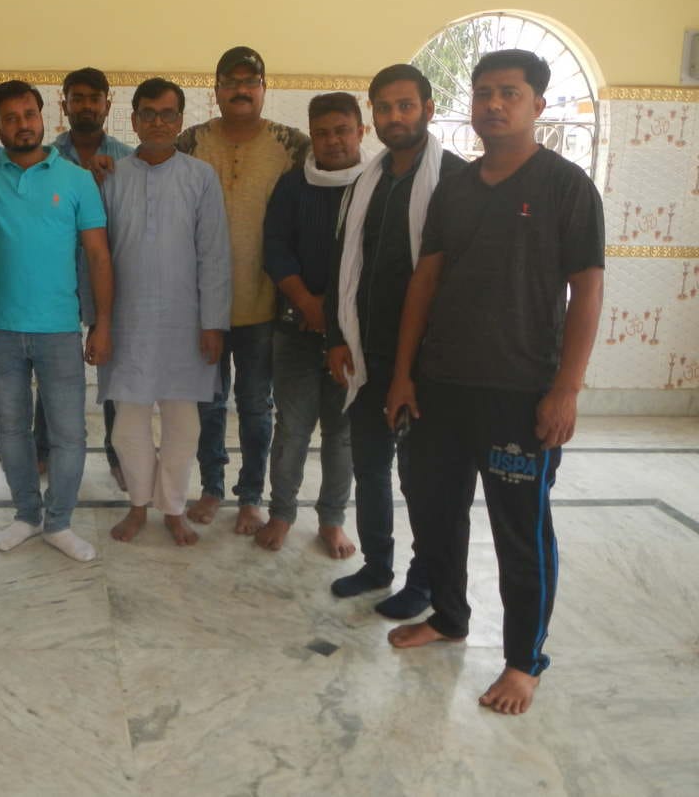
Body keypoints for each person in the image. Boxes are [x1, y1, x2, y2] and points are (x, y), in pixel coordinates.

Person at [385, 49, 604, 715]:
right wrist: (402, 374)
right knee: (435, 515)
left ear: (538, 105)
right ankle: (449, 617)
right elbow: (426, 280)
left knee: (521, 532)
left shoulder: (568, 187)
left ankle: (523, 661)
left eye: (509, 92)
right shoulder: (455, 184)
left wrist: (565, 389)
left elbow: (587, 290)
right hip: (442, 387)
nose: (493, 104)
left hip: (520, 394)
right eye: (483, 93)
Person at [323, 64, 467, 619]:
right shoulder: (366, 181)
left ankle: (424, 580)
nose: (394, 117)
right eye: (384, 108)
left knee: (422, 477)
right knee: (370, 466)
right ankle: (377, 565)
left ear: (429, 109)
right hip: (367, 353)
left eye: (405, 105)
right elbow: (342, 265)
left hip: (427, 362)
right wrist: (337, 338)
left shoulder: (454, 180)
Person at [0, 80, 115, 562]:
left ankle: (60, 522)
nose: (21, 124)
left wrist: (103, 322)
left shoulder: (75, 179)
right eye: (9, 118)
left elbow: (98, 256)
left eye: (28, 114)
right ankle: (28, 515)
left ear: (43, 116)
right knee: (12, 431)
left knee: (69, 432)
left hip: (59, 328)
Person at [177, 46, 309, 535]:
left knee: (256, 408)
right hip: (204, 307)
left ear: (263, 88)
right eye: (230, 81)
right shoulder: (190, 143)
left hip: (265, 305)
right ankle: (212, 488)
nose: (240, 89)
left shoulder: (291, 144)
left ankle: (250, 495)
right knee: (208, 406)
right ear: (215, 91)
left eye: (250, 81)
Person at [100, 78, 231, 546]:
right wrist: (98, 321)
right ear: (133, 120)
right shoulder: (111, 176)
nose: (158, 122)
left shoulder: (200, 177)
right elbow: (95, 254)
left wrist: (213, 323)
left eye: (168, 114)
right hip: (127, 322)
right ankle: (138, 505)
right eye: (148, 114)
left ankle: (173, 507)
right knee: (127, 425)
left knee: (185, 425)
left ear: (180, 121)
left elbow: (214, 255)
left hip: (185, 322)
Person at [258, 92, 365, 553]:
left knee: (342, 435)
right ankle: (281, 513)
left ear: (361, 131)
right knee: (292, 427)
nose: (333, 141)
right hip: (296, 327)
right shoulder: (293, 185)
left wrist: (339, 315)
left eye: (342, 130)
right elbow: (276, 248)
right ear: (311, 138)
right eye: (322, 133)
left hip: (355, 334)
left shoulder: (378, 185)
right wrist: (306, 302)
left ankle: (332, 520)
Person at [53, 67, 136, 487]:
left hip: (111, 286)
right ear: (63, 104)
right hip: (58, 288)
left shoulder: (128, 160)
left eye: (94, 98)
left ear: (108, 103)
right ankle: (45, 455)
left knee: (115, 382)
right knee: (52, 381)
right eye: (77, 98)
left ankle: (120, 458)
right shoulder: (47, 157)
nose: (86, 106)